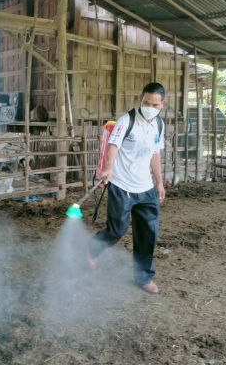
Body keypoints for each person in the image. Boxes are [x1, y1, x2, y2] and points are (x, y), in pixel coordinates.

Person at [87, 82, 166, 294]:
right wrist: (108, 168)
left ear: (162, 105)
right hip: (122, 185)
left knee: (148, 234)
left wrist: (159, 182)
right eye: (146, 103)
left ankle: (144, 277)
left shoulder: (159, 125)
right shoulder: (127, 121)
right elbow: (113, 146)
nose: (149, 108)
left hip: (145, 187)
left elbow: (155, 154)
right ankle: (92, 249)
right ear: (141, 99)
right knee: (117, 229)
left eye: (155, 105)